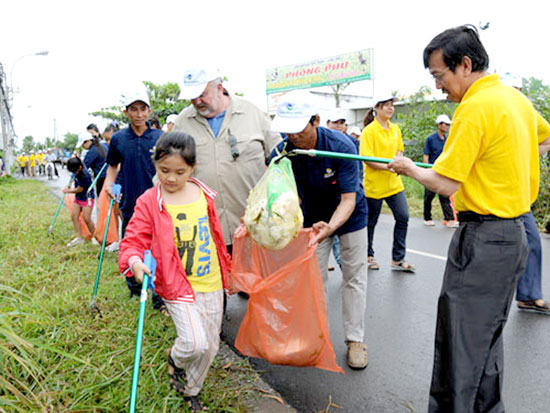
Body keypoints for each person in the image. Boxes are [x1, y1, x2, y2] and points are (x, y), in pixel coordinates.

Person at [388, 25, 550, 411]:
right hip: (516, 234)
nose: (439, 86)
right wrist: (511, 162)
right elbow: (545, 138)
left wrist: (408, 167)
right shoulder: (515, 99)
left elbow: (443, 182)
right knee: (486, 343)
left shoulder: (475, 107)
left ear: (464, 64)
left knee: (459, 347)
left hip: (483, 239)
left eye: (439, 75)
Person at [119, 132, 231, 411]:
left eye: (180, 171)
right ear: (155, 164)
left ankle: (191, 391)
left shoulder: (203, 193)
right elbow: (132, 240)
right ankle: (175, 359)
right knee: (194, 343)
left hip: (211, 281)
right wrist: (134, 262)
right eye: (164, 170)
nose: (170, 178)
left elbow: (214, 235)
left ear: (193, 168)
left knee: (210, 347)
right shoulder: (149, 200)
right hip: (176, 284)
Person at [270, 90, 369, 370]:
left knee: (354, 277)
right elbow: (282, 192)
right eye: (286, 129)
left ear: (316, 120)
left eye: (298, 128)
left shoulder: (341, 145)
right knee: (312, 280)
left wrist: (331, 227)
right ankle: (314, 336)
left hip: (349, 215)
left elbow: (349, 199)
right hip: (311, 218)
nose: (291, 136)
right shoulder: (282, 150)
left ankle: (355, 340)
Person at [173, 67, 281, 254]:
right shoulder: (182, 123)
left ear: (219, 88)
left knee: (258, 280)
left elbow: (280, 160)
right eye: (192, 97)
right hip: (207, 231)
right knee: (221, 283)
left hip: (255, 224)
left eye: (202, 94)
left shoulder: (252, 113)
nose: (197, 102)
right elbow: (168, 168)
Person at [103, 88, 165, 311]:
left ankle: (160, 294)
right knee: (131, 243)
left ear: (149, 111)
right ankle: (135, 287)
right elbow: (112, 166)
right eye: (133, 109)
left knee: (160, 246)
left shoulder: (160, 137)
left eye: (142, 109)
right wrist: (109, 185)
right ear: (126, 112)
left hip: (158, 202)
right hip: (130, 201)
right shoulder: (119, 139)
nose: (139, 114)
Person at [501, 72, 550, 314]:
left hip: (519, 195)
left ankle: (529, 295)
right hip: (497, 194)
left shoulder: (527, 113)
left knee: (532, 241)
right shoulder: (494, 111)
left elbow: (547, 137)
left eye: (518, 90)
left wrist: (528, 151)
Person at [359, 95, 415, 272]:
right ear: (376, 108)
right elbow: (367, 159)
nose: (390, 108)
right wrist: (388, 167)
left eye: (392, 105)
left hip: (394, 184)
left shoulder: (395, 129)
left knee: (403, 217)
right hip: (374, 186)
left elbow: (399, 150)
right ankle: (368, 256)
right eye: (386, 106)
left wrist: (397, 162)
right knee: (370, 222)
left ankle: (398, 259)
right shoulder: (369, 131)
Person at [423, 114, 457, 227]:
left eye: (448, 124)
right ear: (439, 125)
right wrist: (427, 170)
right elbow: (426, 155)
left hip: (444, 171)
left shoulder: (447, 140)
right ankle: (427, 218)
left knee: (444, 195)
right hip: (433, 170)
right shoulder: (431, 139)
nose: (447, 126)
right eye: (445, 124)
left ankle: (449, 218)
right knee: (429, 196)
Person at [63, 157, 96, 247]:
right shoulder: (76, 169)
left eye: (75, 171)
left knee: (87, 218)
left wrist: (67, 191)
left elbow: (79, 189)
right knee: (74, 216)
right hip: (78, 198)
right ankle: (79, 238)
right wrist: (70, 184)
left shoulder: (85, 176)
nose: (74, 173)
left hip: (87, 197)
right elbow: (74, 178)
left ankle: (95, 237)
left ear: (80, 168)